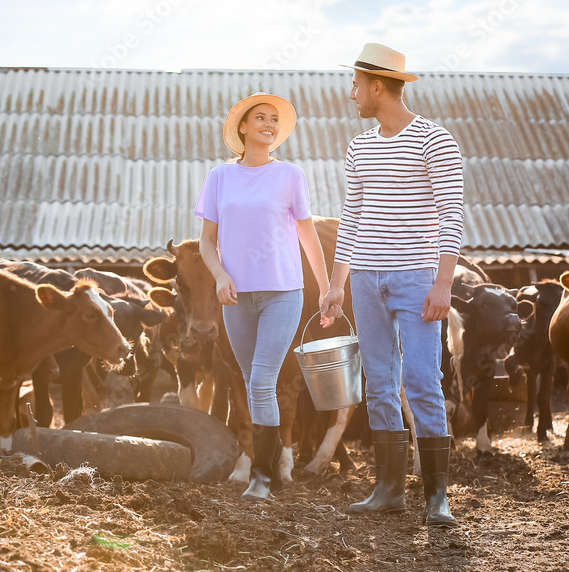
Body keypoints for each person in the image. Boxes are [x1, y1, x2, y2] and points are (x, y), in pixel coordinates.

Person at [320, 43, 464, 527]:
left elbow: (451, 215)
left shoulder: (434, 140)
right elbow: (353, 217)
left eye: (356, 84)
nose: (351, 93)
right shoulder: (359, 145)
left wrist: (443, 283)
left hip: (416, 278)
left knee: (422, 380)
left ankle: (437, 495)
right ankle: (387, 489)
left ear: (377, 86)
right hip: (365, 279)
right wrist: (336, 284)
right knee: (379, 383)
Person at [194, 92, 335, 501]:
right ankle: (265, 469)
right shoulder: (219, 178)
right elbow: (207, 241)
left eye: (275, 119)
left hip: (282, 293)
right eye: (261, 117)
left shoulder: (290, 175)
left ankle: (262, 475)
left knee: (260, 381)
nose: (270, 124)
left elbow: (307, 234)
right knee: (250, 381)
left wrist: (325, 288)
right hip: (236, 298)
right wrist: (219, 275)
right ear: (243, 127)